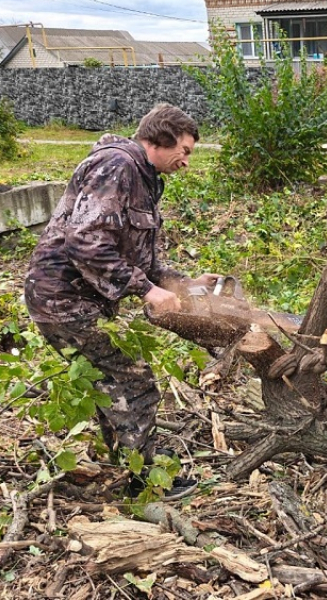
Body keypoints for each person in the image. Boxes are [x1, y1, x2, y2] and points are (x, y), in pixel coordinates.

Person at [24, 103, 220, 490]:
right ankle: (146, 481)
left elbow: (140, 261)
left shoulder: (143, 177)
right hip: (63, 299)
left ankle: (126, 461)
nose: (186, 162)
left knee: (109, 381)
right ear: (160, 140)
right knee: (135, 380)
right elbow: (86, 243)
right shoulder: (118, 167)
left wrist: (187, 283)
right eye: (185, 150)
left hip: (76, 299)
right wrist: (148, 292)